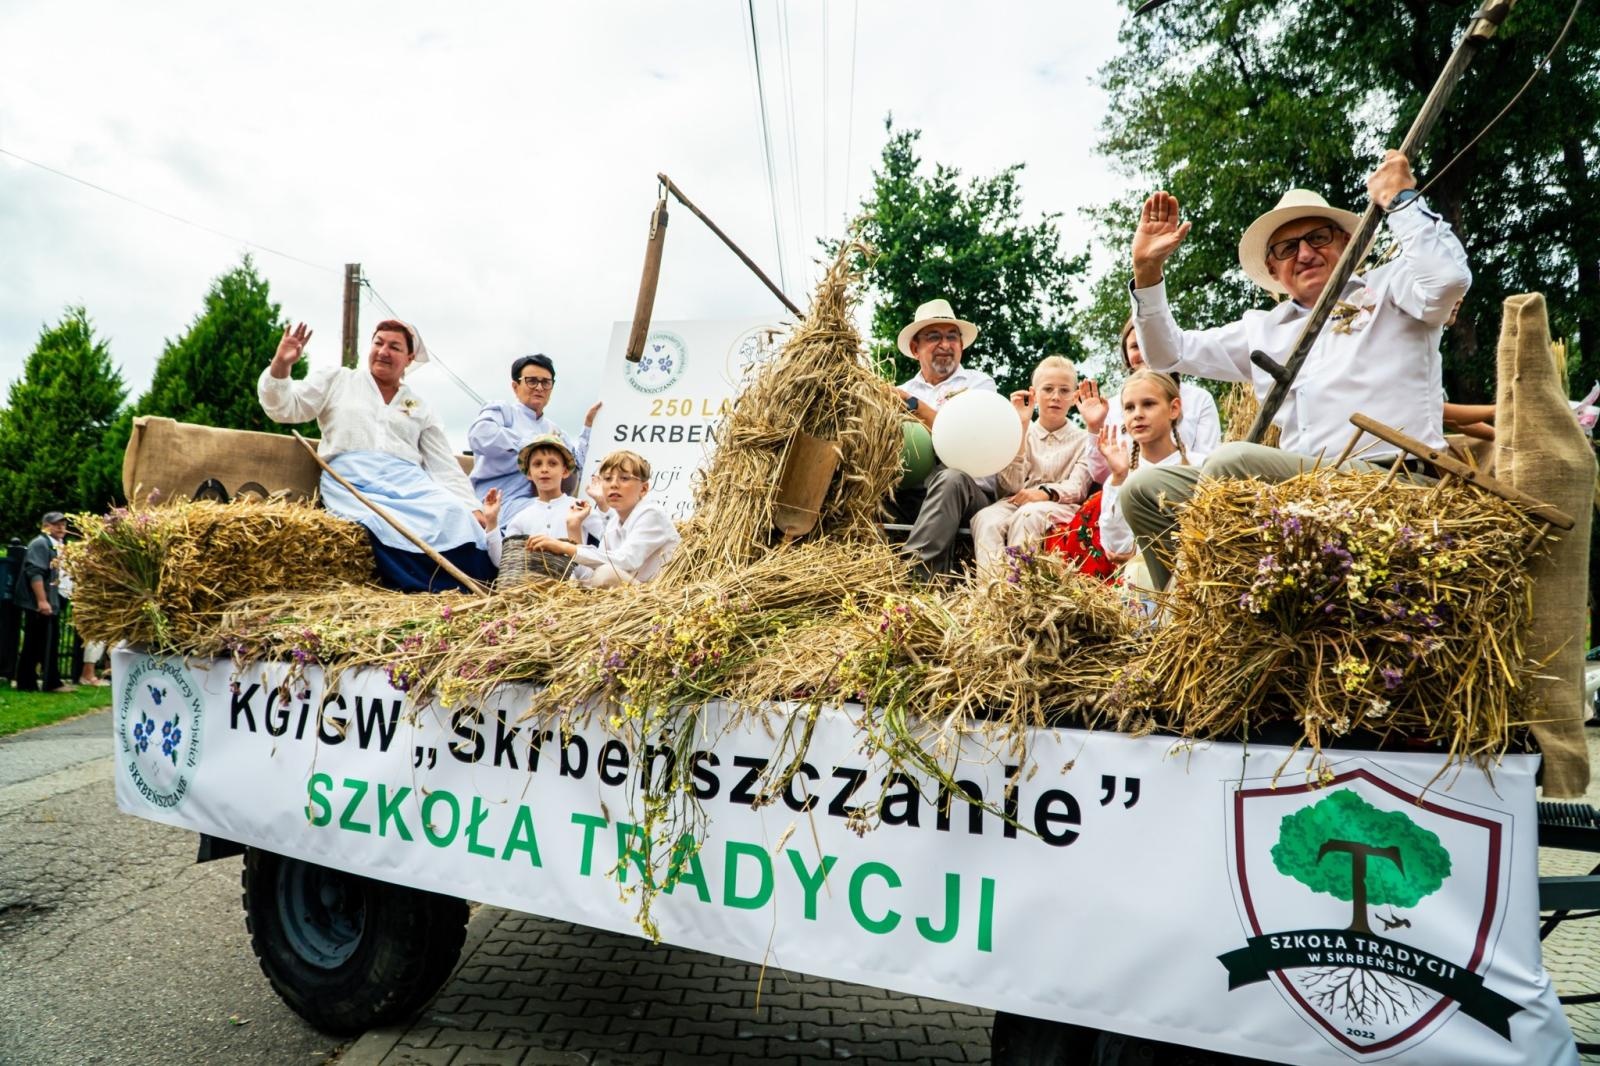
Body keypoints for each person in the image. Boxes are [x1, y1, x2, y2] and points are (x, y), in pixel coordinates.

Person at [1119, 149, 1471, 588]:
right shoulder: (1262, 329)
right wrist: (1147, 269)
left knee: (1233, 463)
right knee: (1143, 490)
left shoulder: (1393, 290)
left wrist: (1402, 200)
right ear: (1272, 269)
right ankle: (1199, 613)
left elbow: (1448, 280)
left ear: (1348, 244)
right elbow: (1165, 354)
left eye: (1319, 238)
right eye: (1287, 248)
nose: (1304, 253)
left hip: (1388, 482)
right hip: (1297, 488)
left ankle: (1210, 609)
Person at [258, 320, 494, 593]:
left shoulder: (419, 405)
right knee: (377, 521)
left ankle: (467, 589)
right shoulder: (338, 380)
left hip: (409, 482)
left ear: (408, 359)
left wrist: (471, 507)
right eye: (378, 342)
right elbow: (285, 408)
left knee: (455, 514)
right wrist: (281, 365)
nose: (383, 351)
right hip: (353, 480)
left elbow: (442, 464)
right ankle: (419, 589)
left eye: (394, 347)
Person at [891, 299, 1000, 574]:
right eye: (934, 337)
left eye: (952, 337)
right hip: (913, 496)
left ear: (961, 346)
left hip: (968, 494)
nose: (945, 344)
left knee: (950, 478)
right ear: (915, 349)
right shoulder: (899, 391)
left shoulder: (979, 385)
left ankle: (915, 581)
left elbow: (962, 441)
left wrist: (913, 406)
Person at [969, 355, 1094, 571]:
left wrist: (1045, 493)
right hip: (1016, 501)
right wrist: (1022, 424)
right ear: (1034, 394)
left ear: (1074, 397)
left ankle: (1021, 589)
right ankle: (992, 593)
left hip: (1059, 506)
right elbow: (1009, 487)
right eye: (1048, 389)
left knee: (1029, 515)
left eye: (1064, 391)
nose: (1055, 396)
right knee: (985, 518)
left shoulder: (1084, 440)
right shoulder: (1019, 431)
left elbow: (1078, 487)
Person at [1080, 318, 1221, 485]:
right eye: (1135, 346)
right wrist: (1095, 427)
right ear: (1126, 355)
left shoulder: (1199, 399)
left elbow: (1207, 467)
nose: (1145, 353)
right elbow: (1102, 476)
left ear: (1174, 408)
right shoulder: (1110, 407)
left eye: (1149, 404)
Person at [469, 354, 600, 530]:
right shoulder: (503, 411)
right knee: (561, 513)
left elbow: (577, 467)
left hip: (544, 504)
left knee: (589, 515)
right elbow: (479, 435)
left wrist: (588, 427)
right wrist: (534, 445)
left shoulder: (555, 430)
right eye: (531, 381)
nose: (539, 387)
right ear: (515, 386)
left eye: (546, 382)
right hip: (498, 503)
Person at [1094, 371, 1205, 565]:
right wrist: (1119, 478)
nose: (1137, 414)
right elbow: (1115, 548)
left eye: (1148, 404)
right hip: (1139, 585)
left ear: (1174, 408)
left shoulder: (1200, 466)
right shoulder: (1122, 474)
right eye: (1129, 408)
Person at [525, 450, 679, 587]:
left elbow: (625, 561)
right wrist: (574, 527)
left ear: (644, 489)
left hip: (657, 597)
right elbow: (589, 575)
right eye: (607, 479)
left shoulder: (651, 514)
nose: (613, 485)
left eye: (624, 478)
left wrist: (565, 547)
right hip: (629, 596)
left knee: (606, 574)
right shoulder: (613, 523)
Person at [481, 434, 604, 571]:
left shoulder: (581, 508)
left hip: (579, 587)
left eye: (552, 463)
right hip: (534, 588)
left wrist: (603, 505)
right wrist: (491, 521)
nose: (544, 469)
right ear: (529, 473)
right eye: (537, 464)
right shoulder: (521, 518)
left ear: (564, 471)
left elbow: (610, 548)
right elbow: (503, 561)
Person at [12, 511, 70, 693]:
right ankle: (28, 682)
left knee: (49, 641)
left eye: (63, 524)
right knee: (34, 641)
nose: (61, 527)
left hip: (53, 600)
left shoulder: (58, 544)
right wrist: (42, 601)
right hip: (38, 602)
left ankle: (50, 681)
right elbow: (35, 573)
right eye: (56, 524)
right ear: (46, 526)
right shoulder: (40, 544)